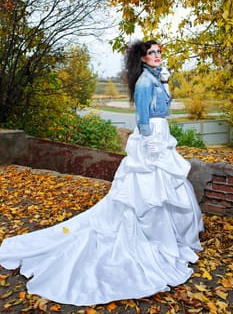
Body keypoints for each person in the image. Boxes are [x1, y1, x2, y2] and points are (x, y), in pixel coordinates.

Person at [0, 39, 204, 307]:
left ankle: (163, 236)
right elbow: (143, 120)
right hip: (152, 139)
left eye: (158, 52)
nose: (156, 55)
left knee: (165, 190)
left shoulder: (156, 77)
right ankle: (150, 240)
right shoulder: (144, 82)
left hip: (161, 134)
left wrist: (165, 83)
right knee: (149, 190)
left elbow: (164, 108)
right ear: (142, 58)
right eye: (151, 53)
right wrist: (153, 152)